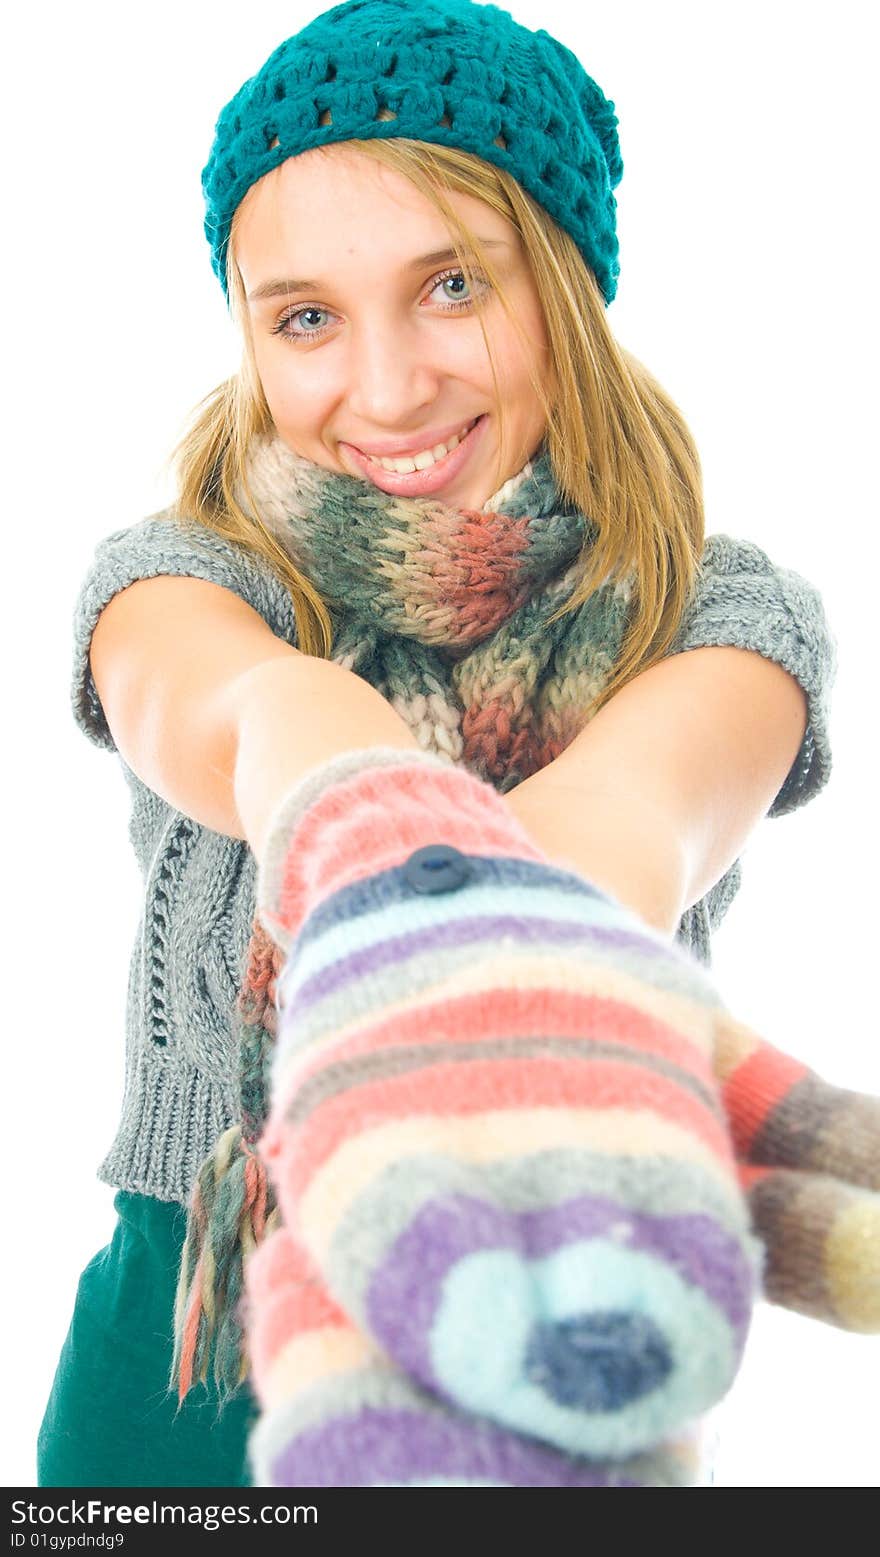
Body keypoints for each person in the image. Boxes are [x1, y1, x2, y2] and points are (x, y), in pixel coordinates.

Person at [38, 0, 879, 1490]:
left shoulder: (726, 622)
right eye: (305, 315)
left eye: (449, 286)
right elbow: (224, 707)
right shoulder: (185, 574)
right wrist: (304, 717)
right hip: (181, 1351)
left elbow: (618, 833)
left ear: (562, 280)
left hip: (540, 1336)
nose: (386, 385)